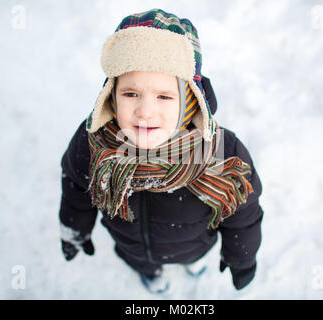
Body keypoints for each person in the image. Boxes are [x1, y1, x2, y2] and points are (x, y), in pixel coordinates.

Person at [58, 8, 264, 294]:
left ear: (191, 102)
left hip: (195, 244)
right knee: (143, 263)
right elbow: (76, 187)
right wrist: (74, 226)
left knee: (192, 256)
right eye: (131, 94)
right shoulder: (92, 140)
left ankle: (191, 264)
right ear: (112, 95)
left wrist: (240, 256)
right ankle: (152, 274)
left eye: (164, 96)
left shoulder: (220, 151)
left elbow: (244, 213)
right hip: (133, 249)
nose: (144, 111)